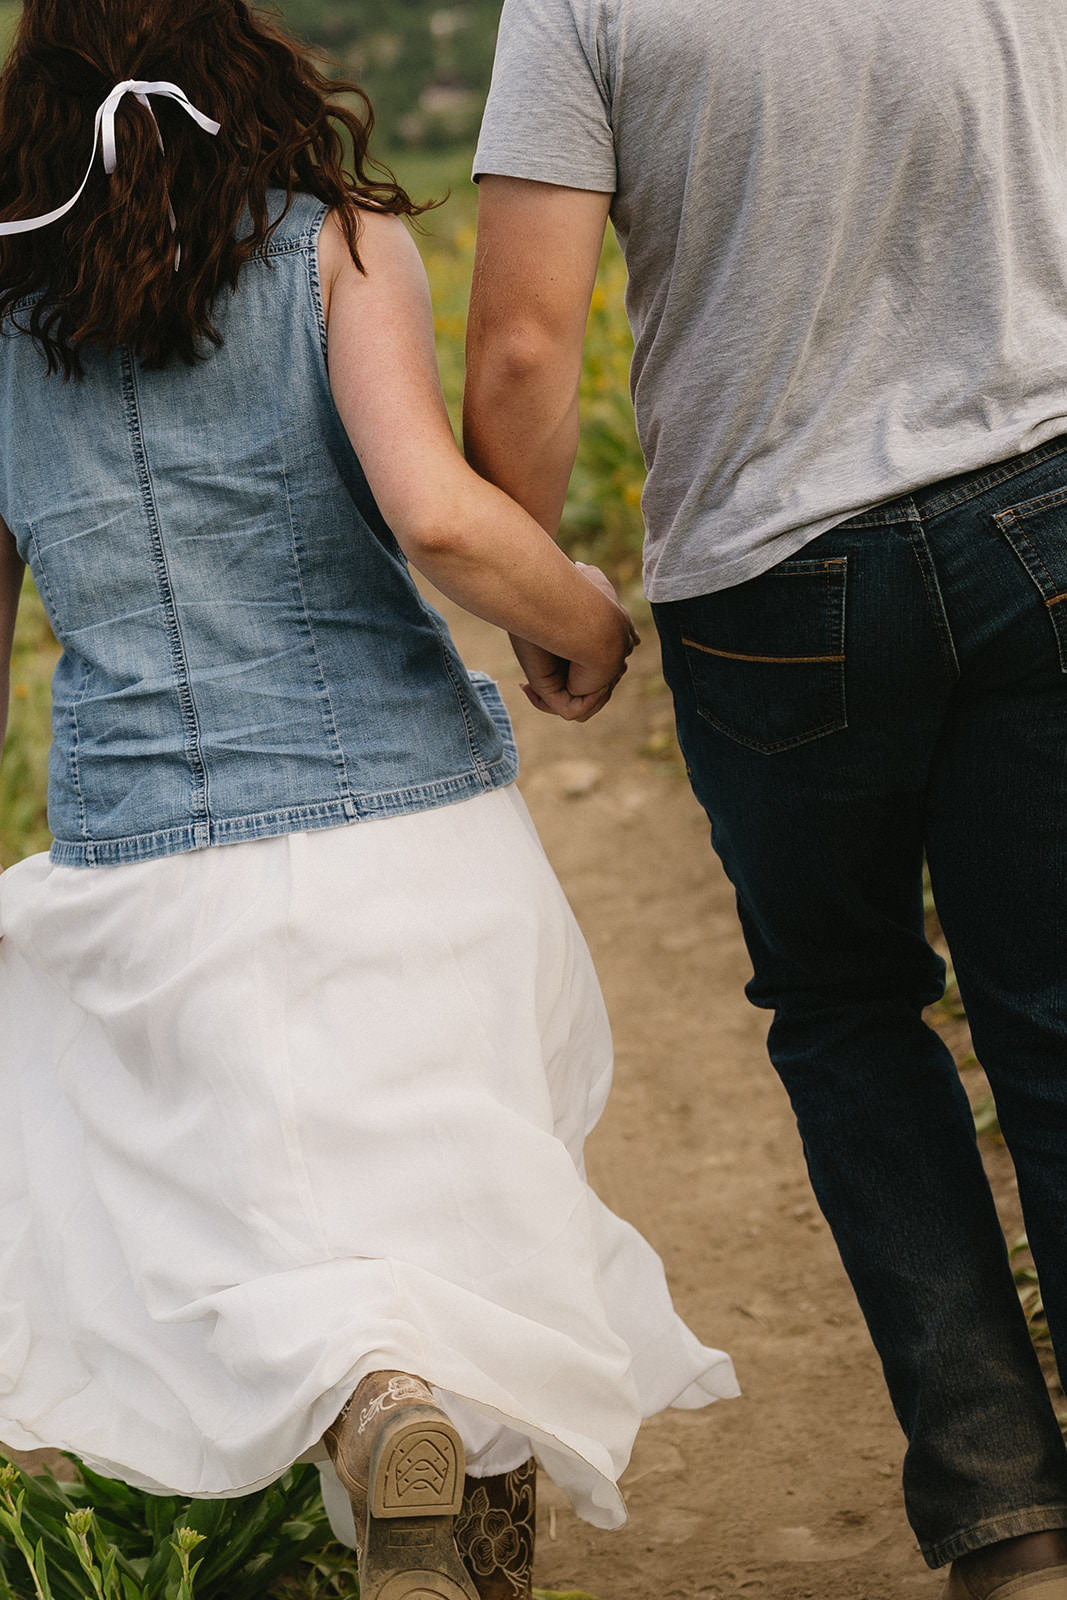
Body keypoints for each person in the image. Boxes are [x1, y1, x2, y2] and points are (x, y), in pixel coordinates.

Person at [0, 5, 742, 1599]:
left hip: (148, 865)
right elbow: (441, 518)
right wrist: (588, 620)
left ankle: (371, 1403)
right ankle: (459, 1508)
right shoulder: (330, 241)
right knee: (468, 1204)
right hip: (403, 826)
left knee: (243, 1222)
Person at [464, 3, 1067, 1597]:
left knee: (852, 1018)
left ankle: (1008, 1524)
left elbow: (522, 343)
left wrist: (537, 585)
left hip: (775, 575)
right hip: (1046, 500)